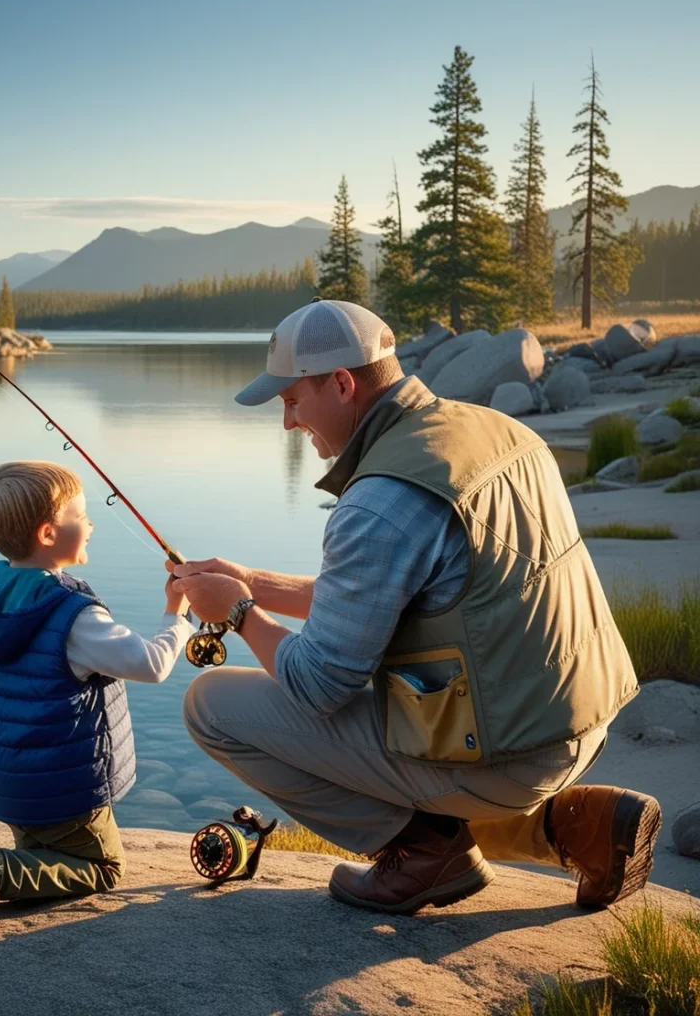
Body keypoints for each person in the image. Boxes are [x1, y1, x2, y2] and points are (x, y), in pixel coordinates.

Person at [169, 298, 661, 916]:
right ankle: (570, 825)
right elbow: (382, 602)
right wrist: (253, 582)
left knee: (210, 706)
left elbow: (318, 686)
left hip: (508, 754)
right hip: (576, 722)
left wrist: (240, 613)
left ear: (342, 383)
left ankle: (426, 855)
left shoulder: (379, 502)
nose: (289, 423)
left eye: (292, 401)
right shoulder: (499, 431)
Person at [0, 460, 193, 938]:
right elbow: (151, 664)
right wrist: (177, 614)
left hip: (15, 785)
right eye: (81, 516)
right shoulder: (72, 617)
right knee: (103, 868)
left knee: (45, 857)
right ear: (48, 534)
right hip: (67, 791)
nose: (89, 525)